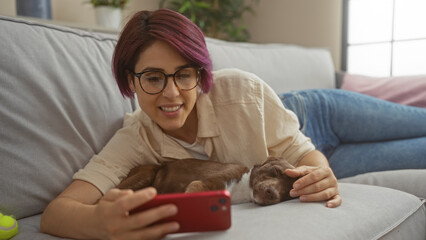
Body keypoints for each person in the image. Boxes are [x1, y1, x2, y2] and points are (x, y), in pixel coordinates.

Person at [40, 8, 344, 240]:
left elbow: (303, 153)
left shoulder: (242, 90)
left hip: (313, 109)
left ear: (200, 74)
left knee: (395, 121)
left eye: (184, 75)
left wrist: (320, 173)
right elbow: (55, 213)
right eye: (153, 78)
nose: (171, 94)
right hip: (335, 152)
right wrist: (98, 224)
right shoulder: (135, 139)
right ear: (131, 80)